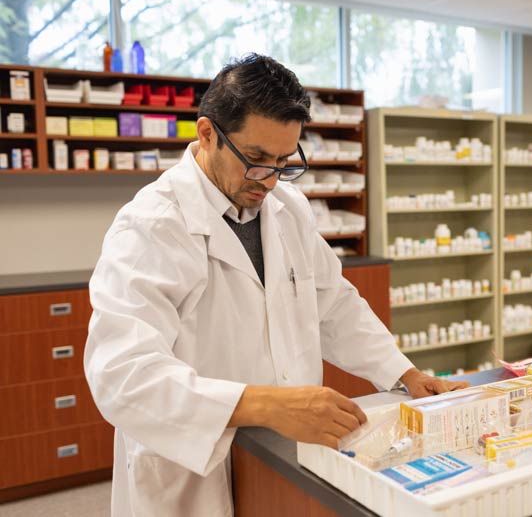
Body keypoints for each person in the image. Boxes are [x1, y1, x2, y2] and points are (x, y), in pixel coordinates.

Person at [84, 53, 469, 517]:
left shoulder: (289, 208)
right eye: (257, 159)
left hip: (282, 456)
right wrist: (266, 405)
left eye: (285, 160)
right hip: (193, 471)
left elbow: (334, 303)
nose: (269, 178)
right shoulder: (151, 227)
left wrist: (404, 373)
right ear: (207, 134)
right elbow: (122, 376)